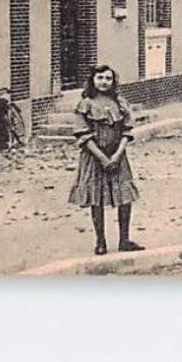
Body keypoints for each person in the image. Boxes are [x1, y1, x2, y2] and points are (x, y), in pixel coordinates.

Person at [67, 64, 142, 255]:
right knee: (97, 198)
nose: (104, 82)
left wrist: (116, 155)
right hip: (94, 158)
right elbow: (83, 135)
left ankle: (124, 240)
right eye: (100, 78)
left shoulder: (121, 103)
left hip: (117, 156)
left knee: (125, 196)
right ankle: (100, 242)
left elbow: (127, 130)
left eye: (108, 78)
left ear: (113, 81)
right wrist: (102, 158)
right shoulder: (86, 104)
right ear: (93, 80)